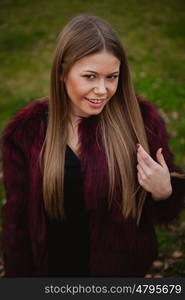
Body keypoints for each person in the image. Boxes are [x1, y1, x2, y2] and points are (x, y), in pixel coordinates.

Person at [1, 14, 185, 277]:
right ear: (62, 74)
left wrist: (164, 192)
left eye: (112, 77)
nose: (102, 89)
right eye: (90, 76)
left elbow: (165, 209)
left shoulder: (140, 122)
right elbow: (17, 224)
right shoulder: (26, 133)